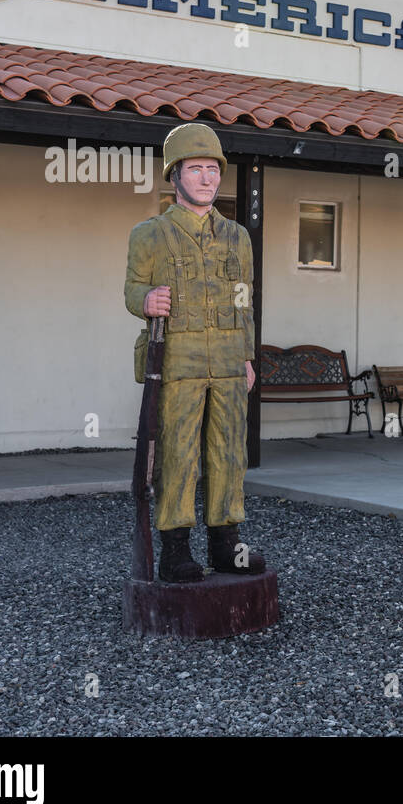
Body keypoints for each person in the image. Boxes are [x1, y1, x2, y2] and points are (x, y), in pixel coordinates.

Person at [124, 123, 266, 582]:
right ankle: (176, 548)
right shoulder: (150, 234)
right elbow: (130, 289)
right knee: (177, 453)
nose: (207, 178)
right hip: (178, 363)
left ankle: (227, 544)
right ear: (174, 176)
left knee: (229, 453)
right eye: (196, 169)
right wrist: (145, 300)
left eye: (213, 170)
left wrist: (246, 356)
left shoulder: (237, 237)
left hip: (227, 361)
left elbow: (245, 300)